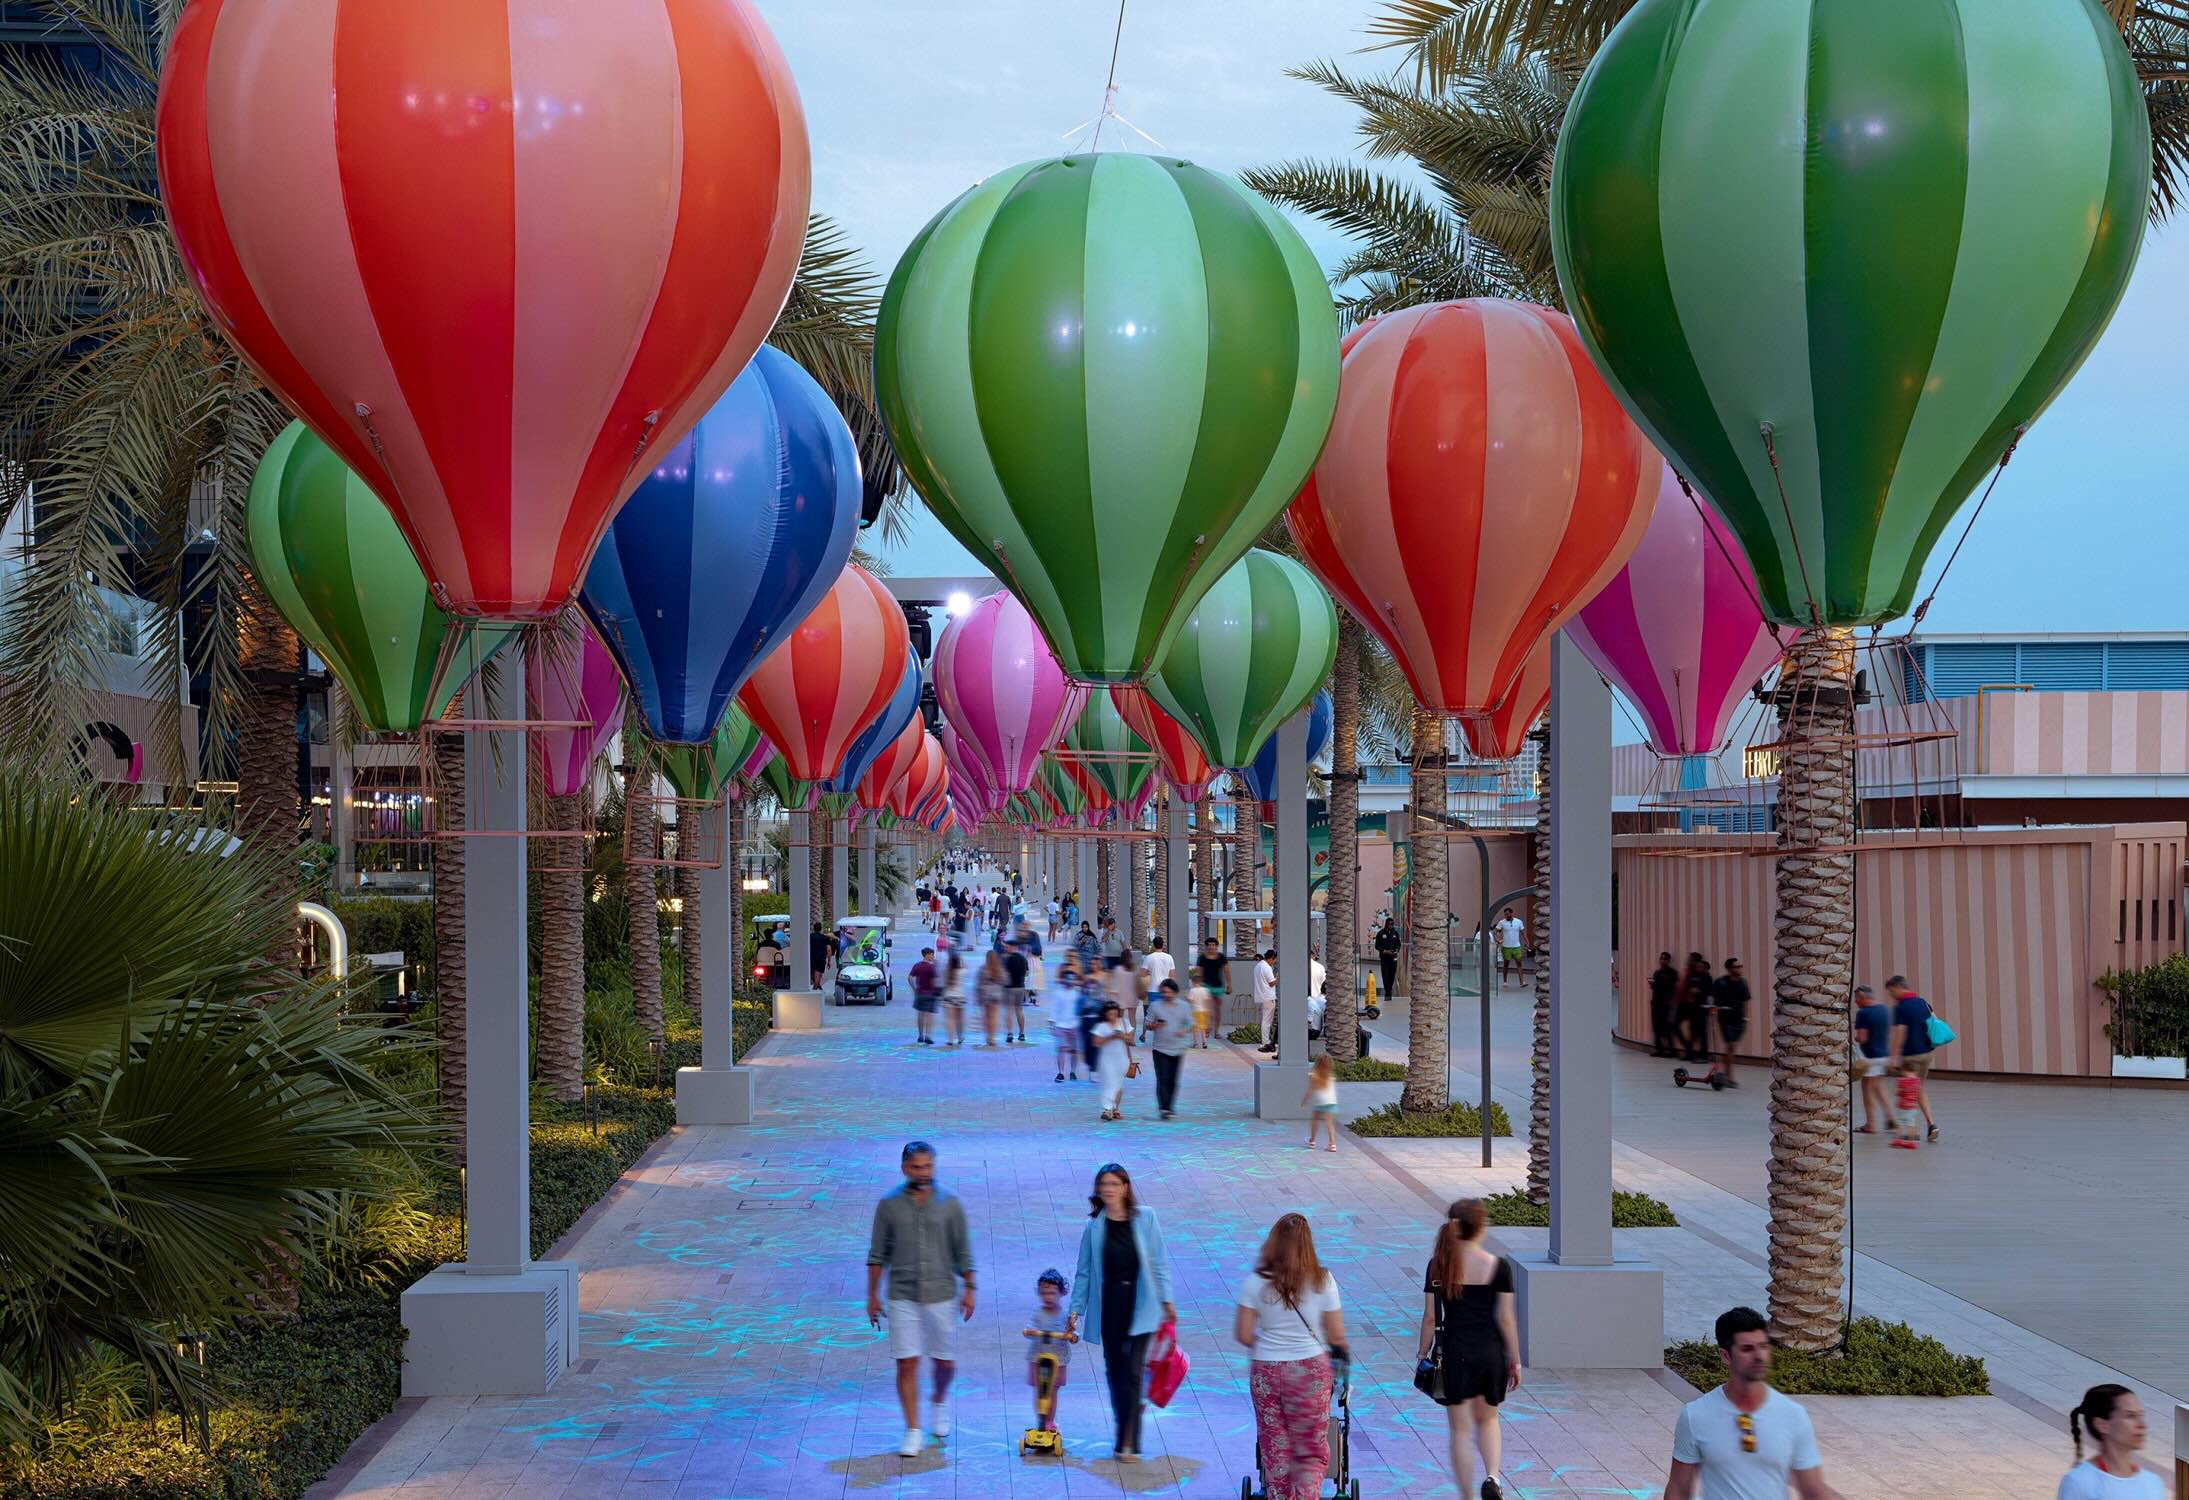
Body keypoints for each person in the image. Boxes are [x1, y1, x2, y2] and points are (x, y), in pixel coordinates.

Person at [865, 1141, 976, 1459]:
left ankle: (939, 1400)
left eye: (928, 1166)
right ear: (904, 1168)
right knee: (907, 1362)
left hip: (941, 1293)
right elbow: (876, 1254)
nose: (923, 1172)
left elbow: (962, 1250)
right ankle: (913, 1429)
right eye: (916, 1167)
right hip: (902, 1294)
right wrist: (872, 1296)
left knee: (944, 1362)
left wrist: (969, 1288)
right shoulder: (888, 1205)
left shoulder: (949, 1203)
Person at [1665, 1306, 1839, 1500]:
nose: (1759, 1356)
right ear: (1725, 1356)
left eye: (1763, 1346)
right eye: (1747, 1349)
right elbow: (1679, 1488)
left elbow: (1813, 1490)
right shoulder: (1695, 1416)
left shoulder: (1793, 1415)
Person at [1066, 1164, 1176, 1463]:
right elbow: (1084, 1272)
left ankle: (1128, 1439)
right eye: (1103, 1184)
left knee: (1132, 1371)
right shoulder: (1094, 1227)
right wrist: (1075, 1309)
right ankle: (1123, 1424)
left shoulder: (1146, 1218)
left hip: (1142, 1303)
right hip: (1110, 1305)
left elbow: (1159, 1262)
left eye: (1114, 1183)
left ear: (1126, 1187)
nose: (1108, 1189)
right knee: (1114, 1372)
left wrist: (1167, 1300)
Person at [1235, 1213, 1347, 1500]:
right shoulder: (1323, 1279)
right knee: (1309, 1450)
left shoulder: (1256, 1281)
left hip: (1267, 1371)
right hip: (1309, 1371)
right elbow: (1335, 1335)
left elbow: (1244, 1333)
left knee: (1276, 1448)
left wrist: (1271, 1343)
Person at [1418, 1199, 1522, 1500]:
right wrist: (1514, 1360)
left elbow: (1429, 1318)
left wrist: (1421, 1354)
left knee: (1460, 1430)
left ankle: (1466, 1495)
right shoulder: (1498, 1266)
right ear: (1480, 1229)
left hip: (1454, 1351)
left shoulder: (1439, 1265)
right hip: (1490, 1352)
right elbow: (1506, 1319)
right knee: (1489, 1419)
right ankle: (1492, 1477)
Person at [2059, 1384, 2164, 1498]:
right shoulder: (2079, 1482)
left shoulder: (2152, 1483)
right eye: (2130, 1416)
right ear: (2102, 1425)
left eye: (2140, 1415)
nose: (2142, 1425)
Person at [1022, 1269, 1077, 1436]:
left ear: (1061, 1293)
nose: (1048, 1297)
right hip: (1038, 1358)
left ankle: (1049, 1422)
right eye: (1044, 1293)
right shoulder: (1038, 1314)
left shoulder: (1065, 1315)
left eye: (1052, 1293)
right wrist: (1030, 1331)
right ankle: (1040, 1419)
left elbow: (1074, 1333)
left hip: (1058, 1359)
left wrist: (1072, 1336)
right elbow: (1030, 1328)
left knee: (1053, 1390)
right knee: (1040, 1390)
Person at [1887, 975, 1940, 1141]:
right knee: (1918, 1089)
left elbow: (1899, 1033)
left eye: (1891, 991)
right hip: (1926, 1053)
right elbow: (1935, 1021)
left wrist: (1893, 1057)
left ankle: (1912, 1130)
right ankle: (1931, 1124)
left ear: (1897, 987)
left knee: (1909, 1091)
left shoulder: (1900, 1007)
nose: (1891, 995)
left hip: (1910, 1056)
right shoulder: (1922, 1002)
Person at [1143, 978, 1194, 1119]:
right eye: (1164, 992)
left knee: (1173, 1079)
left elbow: (1190, 1022)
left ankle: (1170, 1107)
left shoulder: (1184, 1006)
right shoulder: (1155, 1006)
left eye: (1169, 992)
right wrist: (1154, 1026)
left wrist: (1183, 1030)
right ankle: (1163, 1107)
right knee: (1162, 1077)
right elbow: (1147, 1024)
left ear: (1175, 992)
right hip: (1160, 1048)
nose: (1166, 995)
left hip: (1178, 1048)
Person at [1852, 985, 1893, 1133]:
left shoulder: (1863, 1013)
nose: (1856, 1002)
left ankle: (1871, 1124)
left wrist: (1855, 1038)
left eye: (1857, 999)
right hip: (1884, 1054)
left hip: (1870, 1057)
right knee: (1878, 1087)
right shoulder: (1884, 1009)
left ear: (1863, 998)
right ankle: (1890, 1117)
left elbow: (1862, 1038)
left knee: (1867, 1090)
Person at [1092, 1000, 1136, 1121]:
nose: (1113, 1016)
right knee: (1109, 1083)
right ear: (1105, 1014)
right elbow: (1096, 1042)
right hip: (1106, 1060)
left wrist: (1121, 1036)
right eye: (1110, 1013)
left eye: (1115, 1013)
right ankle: (1108, 1109)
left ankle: (1115, 1108)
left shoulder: (1124, 1023)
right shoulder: (1101, 1026)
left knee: (1117, 1084)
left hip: (1122, 1059)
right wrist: (1110, 1036)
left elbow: (1131, 1040)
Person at [1711, 958, 1751, 1086]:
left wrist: (1745, 1018)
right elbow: (1713, 998)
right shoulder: (1720, 982)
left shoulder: (1742, 983)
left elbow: (1745, 1000)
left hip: (1738, 1020)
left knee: (1731, 1048)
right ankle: (1729, 1077)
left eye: (1740, 966)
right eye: (1736, 967)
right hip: (1725, 1019)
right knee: (1730, 1046)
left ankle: (1727, 1074)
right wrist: (1715, 1008)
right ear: (1729, 969)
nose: (1739, 969)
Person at [1193, 939, 1228, 1046]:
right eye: (1209, 945)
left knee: (1217, 1009)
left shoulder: (1221, 957)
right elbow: (1198, 972)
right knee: (1207, 1009)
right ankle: (1207, 1029)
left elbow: (1226, 971)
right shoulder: (1202, 958)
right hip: (1205, 986)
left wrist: (1229, 984)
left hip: (1218, 986)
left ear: (1217, 946)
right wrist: (1196, 985)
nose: (1211, 947)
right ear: (1206, 946)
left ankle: (1216, 1031)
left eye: (1213, 945)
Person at [1681, 954, 1715, 1063]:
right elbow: (1686, 989)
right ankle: (1690, 1053)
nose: (1699, 968)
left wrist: (1709, 1006)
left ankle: (1703, 1055)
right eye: (1697, 966)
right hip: (1692, 1007)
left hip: (1702, 1007)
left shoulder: (1707, 978)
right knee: (1692, 1030)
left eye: (1701, 967)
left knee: (1702, 1031)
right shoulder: (1692, 976)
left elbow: (1710, 993)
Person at [1301, 1054, 1339, 1152]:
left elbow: (1310, 1090)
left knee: (1315, 1121)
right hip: (1331, 1101)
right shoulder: (1330, 1076)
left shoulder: (1313, 1075)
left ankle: (1312, 1141)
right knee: (1329, 1123)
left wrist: (1304, 1101)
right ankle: (1332, 1144)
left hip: (1320, 1101)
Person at [1076, 968, 1109, 1077]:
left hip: (1096, 1023)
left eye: (1093, 987)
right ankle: (1090, 1065)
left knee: (1096, 1046)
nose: (1091, 989)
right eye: (1089, 987)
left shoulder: (1100, 998)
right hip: (1085, 1023)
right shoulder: (1082, 998)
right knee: (1086, 1047)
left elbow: (1104, 1012)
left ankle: (1094, 1069)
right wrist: (1084, 1008)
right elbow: (1077, 1012)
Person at [1649, 952, 1683, 1058]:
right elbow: (1656, 987)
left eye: (1665, 959)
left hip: (1667, 1004)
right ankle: (1659, 1049)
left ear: (1669, 961)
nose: (1663, 960)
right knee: (1656, 1028)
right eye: (1661, 958)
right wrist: (1653, 985)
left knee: (1667, 1028)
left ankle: (1671, 1051)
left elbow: (1675, 987)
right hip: (1656, 1003)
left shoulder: (1673, 973)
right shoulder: (1657, 973)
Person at [1051, 979, 1083, 1082]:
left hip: (1075, 1025)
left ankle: (1072, 1072)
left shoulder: (1077, 993)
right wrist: (1052, 1024)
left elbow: (1081, 1009)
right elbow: (1054, 1009)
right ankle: (1060, 1073)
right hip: (1061, 1025)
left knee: (1074, 1050)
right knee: (1061, 1049)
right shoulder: (1058, 993)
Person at [908, 946, 941, 1046]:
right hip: (930, 993)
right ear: (927, 955)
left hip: (919, 993)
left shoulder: (917, 966)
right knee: (929, 1015)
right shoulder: (932, 967)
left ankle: (920, 1035)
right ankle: (928, 1036)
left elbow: (909, 978)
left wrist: (914, 988)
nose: (933, 956)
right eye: (932, 954)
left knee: (920, 1014)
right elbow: (935, 980)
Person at [1001, 940, 1031, 1045]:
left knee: (1009, 1010)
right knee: (1019, 1010)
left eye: (1007, 947)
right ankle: (1022, 1034)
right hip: (1020, 987)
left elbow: (1004, 974)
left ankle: (1009, 1034)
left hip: (1009, 988)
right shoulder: (1023, 959)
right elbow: (1027, 973)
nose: (1006, 949)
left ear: (1012, 947)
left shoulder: (1007, 959)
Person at [975, 949, 1007, 1047]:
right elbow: (1005, 981)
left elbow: (978, 984)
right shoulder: (999, 969)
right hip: (996, 995)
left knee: (986, 1016)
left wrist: (978, 996)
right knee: (994, 1016)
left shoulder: (983, 969)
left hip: (985, 995)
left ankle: (988, 1036)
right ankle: (993, 1037)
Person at [1253, 948, 1279, 1053]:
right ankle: (1265, 1042)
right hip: (1269, 997)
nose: (1274, 962)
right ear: (1271, 958)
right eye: (1274, 960)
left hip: (1262, 996)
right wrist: (1279, 978)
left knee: (1265, 1020)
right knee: (1267, 1021)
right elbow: (1271, 983)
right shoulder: (1267, 967)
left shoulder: (1258, 966)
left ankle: (1265, 1041)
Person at [941, 949, 967, 1047]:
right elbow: (966, 967)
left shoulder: (946, 972)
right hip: (960, 997)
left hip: (948, 997)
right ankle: (960, 1037)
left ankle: (950, 1039)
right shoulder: (961, 971)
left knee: (950, 1019)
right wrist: (961, 958)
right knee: (959, 1019)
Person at [1493, 907, 1526, 986]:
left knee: (1519, 963)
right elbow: (1496, 931)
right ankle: (1505, 981)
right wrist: (1498, 940)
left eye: (1507, 914)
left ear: (1511, 913)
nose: (1506, 915)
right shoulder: (1502, 922)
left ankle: (1522, 982)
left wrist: (1527, 942)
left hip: (1516, 946)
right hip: (1506, 947)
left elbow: (1523, 933)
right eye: (1505, 914)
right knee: (1506, 964)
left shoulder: (1518, 922)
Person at [1375, 916, 1402, 1002]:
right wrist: (1385, 951)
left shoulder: (1395, 933)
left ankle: (1389, 990)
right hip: (1384, 959)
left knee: (1391, 976)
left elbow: (1399, 944)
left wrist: (1397, 950)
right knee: (1385, 976)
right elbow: (1377, 946)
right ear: (1386, 924)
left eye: (1392, 924)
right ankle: (1387, 993)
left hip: (1393, 958)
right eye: (1389, 924)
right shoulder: (1381, 933)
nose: (1391, 925)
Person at [809, 922, 838, 989]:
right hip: (821, 958)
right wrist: (829, 961)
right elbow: (829, 949)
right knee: (818, 973)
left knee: (813, 974)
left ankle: (816, 987)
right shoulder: (824, 938)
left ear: (814, 928)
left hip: (811, 958)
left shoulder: (809, 937)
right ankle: (816, 988)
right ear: (821, 928)